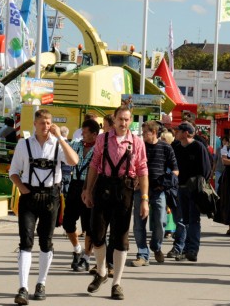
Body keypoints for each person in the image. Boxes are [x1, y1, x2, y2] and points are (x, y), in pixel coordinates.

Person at [9, 109, 79, 305]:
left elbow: (74, 161)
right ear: (35, 124)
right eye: (42, 123)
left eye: (49, 123)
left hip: (51, 197)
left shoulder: (58, 144)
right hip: (29, 196)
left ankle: (41, 283)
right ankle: (23, 287)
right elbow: (13, 172)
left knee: (46, 242)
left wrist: (61, 138)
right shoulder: (24, 145)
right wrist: (22, 188)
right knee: (25, 241)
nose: (46, 126)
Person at [82, 105, 148, 301]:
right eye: (121, 119)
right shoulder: (102, 139)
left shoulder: (136, 142)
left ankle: (116, 283)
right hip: (103, 187)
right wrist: (88, 190)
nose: (124, 123)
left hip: (125, 189)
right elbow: (94, 165)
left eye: (127, 120)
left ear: (130, 121)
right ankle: (102, 271)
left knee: (120, 238)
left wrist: (144, 199)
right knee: (96, 233)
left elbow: (143, 170)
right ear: (115, 119)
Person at [130, 120, 178, 267]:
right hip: (140, 190)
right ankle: (142, 254)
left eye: (146, 133)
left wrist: (165, 183)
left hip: (158, 191)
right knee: (139, 223)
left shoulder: (166, 148)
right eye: (142, 133)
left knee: (161, 222)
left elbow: (175, 170)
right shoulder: (139, 146)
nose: (143, 135)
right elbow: (131, 165)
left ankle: (156, 247)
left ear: (154, 133)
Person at [167, 122, 211, 262]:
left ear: (186, 133)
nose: (176, 133)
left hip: (194, 190)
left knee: (193, 220)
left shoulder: (198, 147)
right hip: (179, 189)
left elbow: (206, 169)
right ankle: (184, 250)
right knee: (184, 220)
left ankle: (192, 250)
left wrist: (198, 185)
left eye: (178, 130)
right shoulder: (176, 147)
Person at [62, 117, 100, 273]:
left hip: (90, 187)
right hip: (74, 185)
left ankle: (86, 257)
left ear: (94, 134)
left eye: (85, 132)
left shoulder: (99, 149)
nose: (82, 135)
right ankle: (77, 248)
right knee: (67, 222)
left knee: (89, 225)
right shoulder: (76, 145)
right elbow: (63, 149)